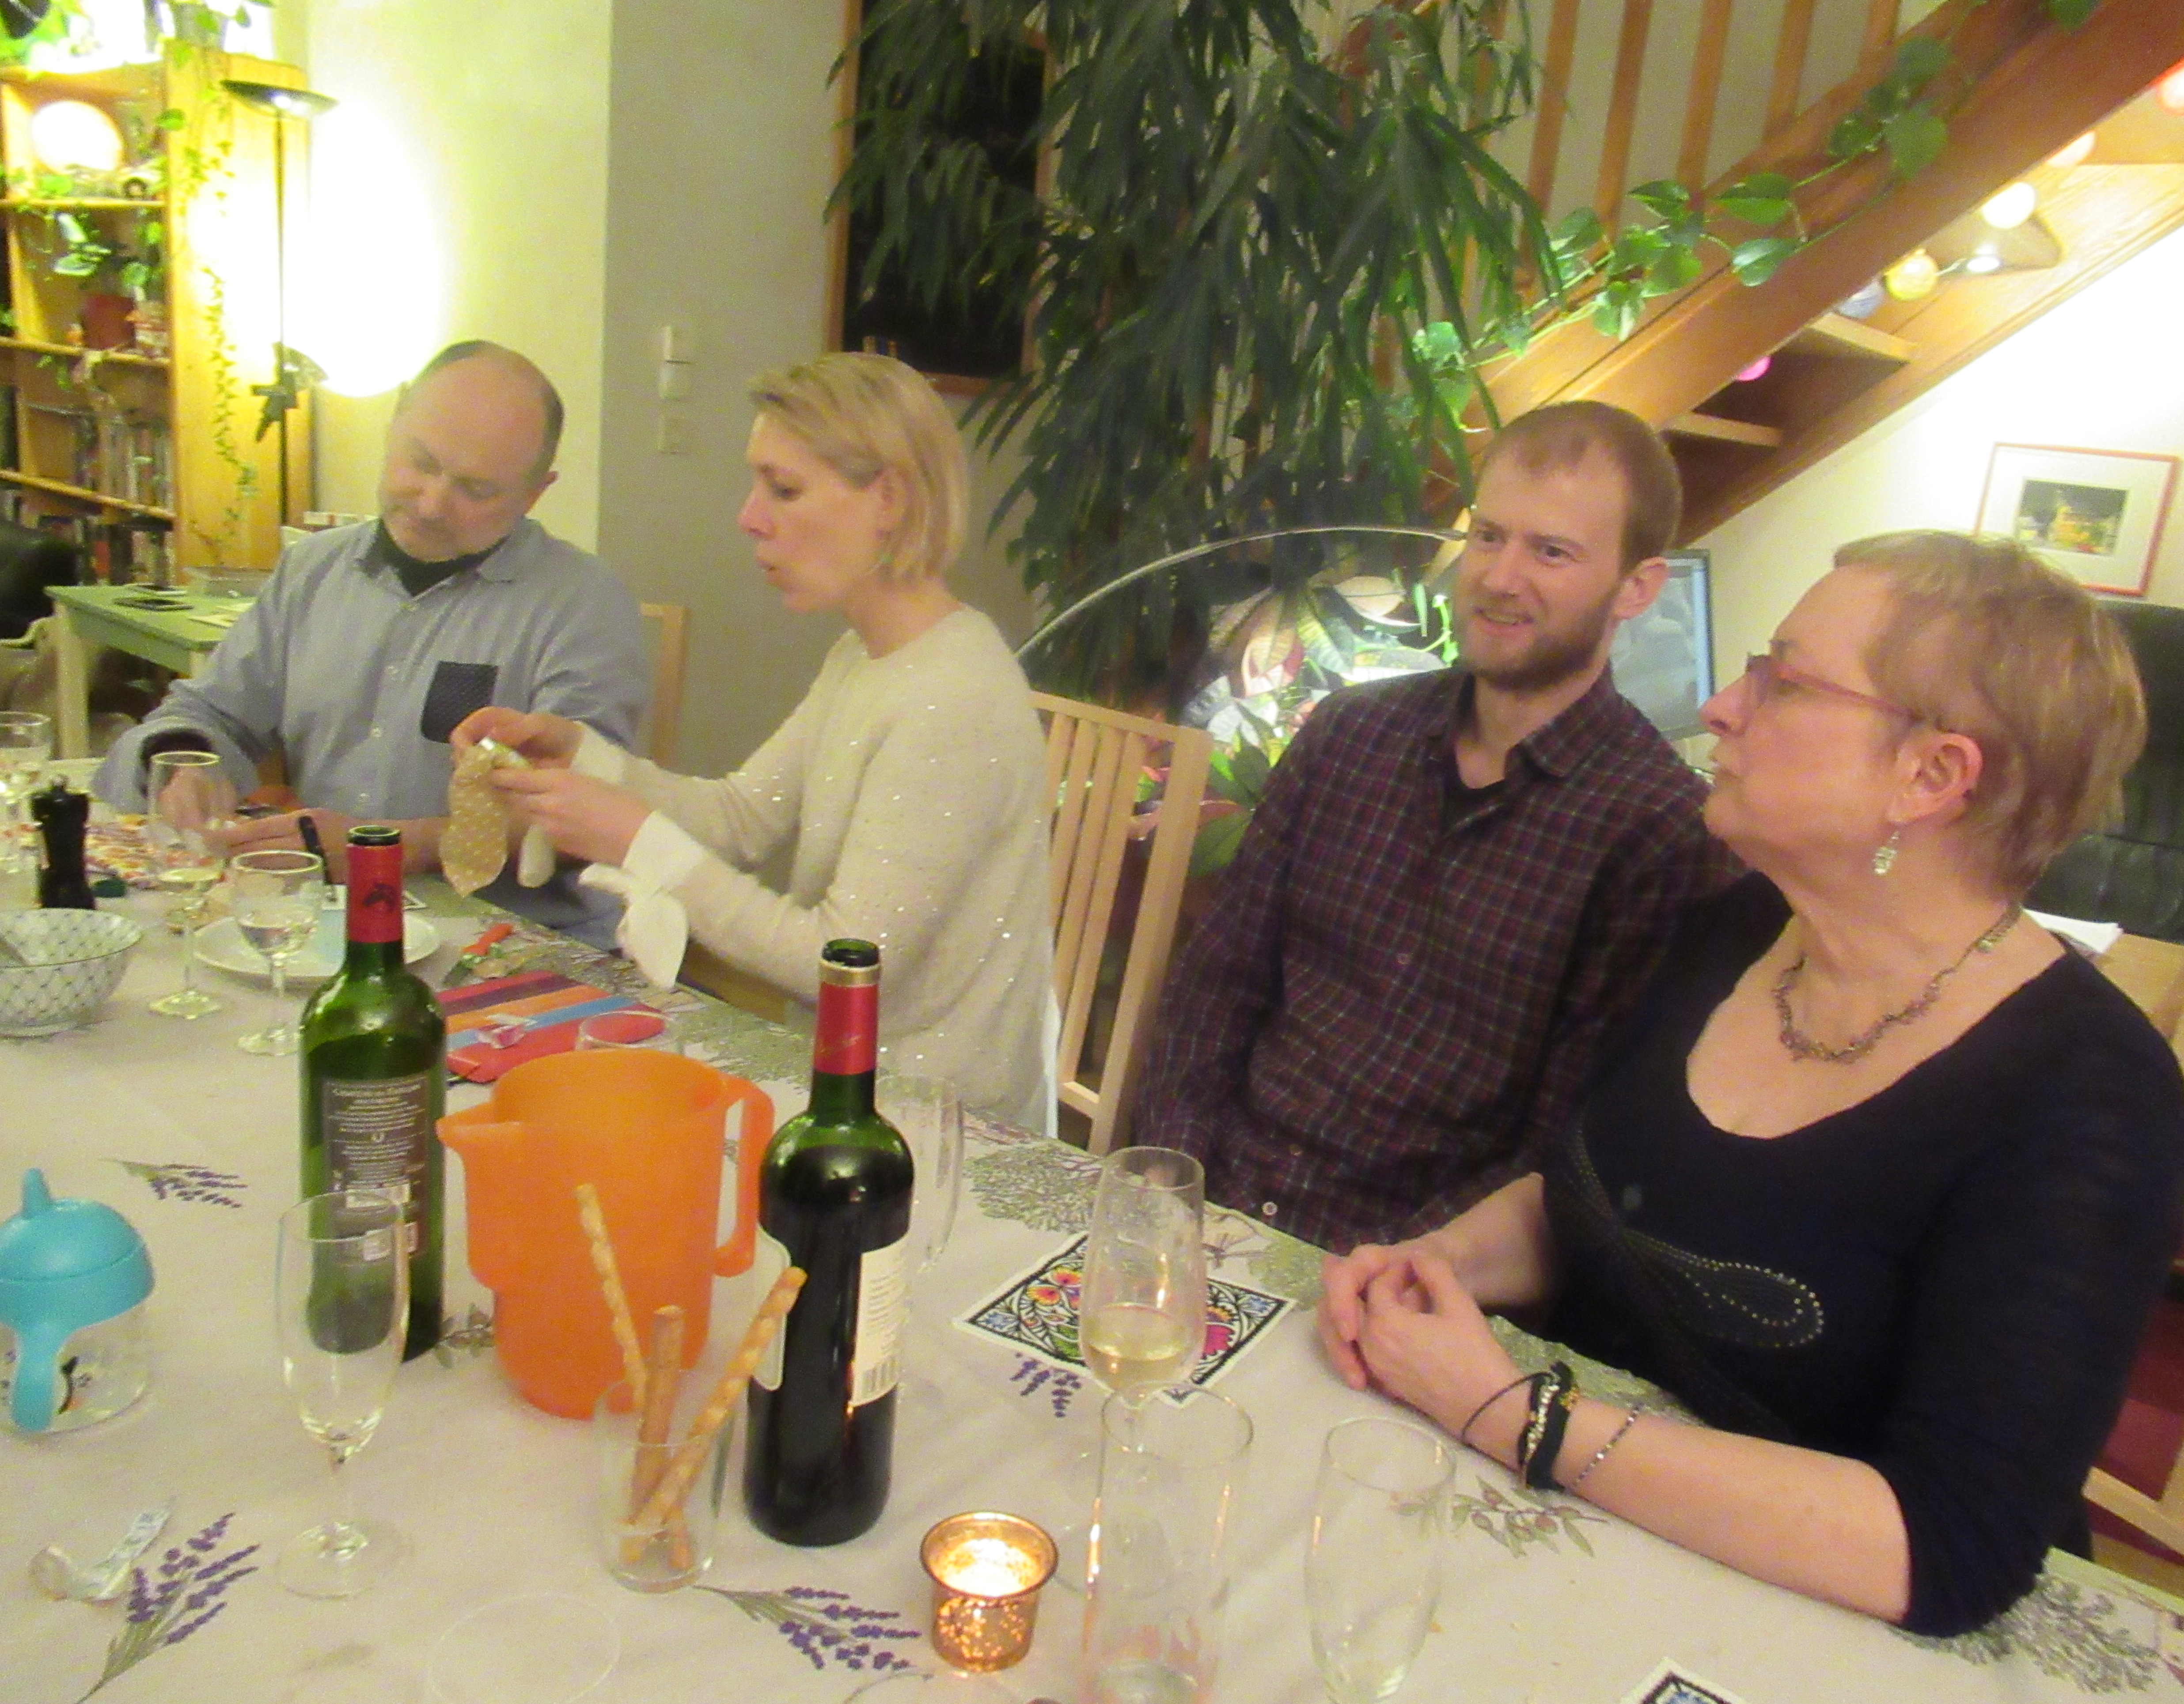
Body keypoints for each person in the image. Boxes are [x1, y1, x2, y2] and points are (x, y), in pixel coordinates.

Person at [1319, 531, 2184, 1638]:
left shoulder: (2090, 1096)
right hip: (1590, 1544)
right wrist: (1441, 1263)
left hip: (1819, 1634)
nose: (1724, 705)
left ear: (1931, 777)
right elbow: (1599, 1201)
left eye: (1786, 681)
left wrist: (1515, 1415)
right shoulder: (1737, 927)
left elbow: (1948, 1544)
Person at [1133, 401, 1734, 1252]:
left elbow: (1560, 1147)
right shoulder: (1349, 734)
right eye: (1489, 536)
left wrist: (1389, 1275)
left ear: (1637, 588)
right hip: (1215, 1203)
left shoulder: (1657, 830)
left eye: (1552, 552)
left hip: (1400, 1268)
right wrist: (1171, 1185)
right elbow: (1219, 982)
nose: (1500, 577)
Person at [455, 352, 1052, 1124]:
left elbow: (841, 966)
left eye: (785, 489)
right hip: (845, 1084)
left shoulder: (954, 699)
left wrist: (638, 842)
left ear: (890, 499)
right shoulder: (865, 657)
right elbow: (742, 816)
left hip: (931, 1125)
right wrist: (584, 757)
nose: (749, 516)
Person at [93, 341, 648, 933]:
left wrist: (392, 848)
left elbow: (584, 816)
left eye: (476, 490)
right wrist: (187, 767)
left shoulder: (584, 604)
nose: (432, 504)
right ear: (394, 423)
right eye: (421, 462)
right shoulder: (311, 571)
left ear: (535, 493)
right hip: (331, 925)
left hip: (510, 935)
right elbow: (210, 713)